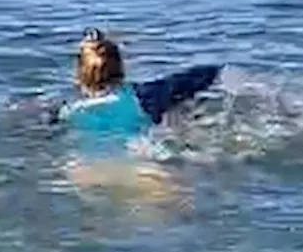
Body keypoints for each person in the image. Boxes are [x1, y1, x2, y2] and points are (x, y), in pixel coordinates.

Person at [50, 28, 221, 157]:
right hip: (142, 160)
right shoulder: (144, 97)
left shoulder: (67, 111)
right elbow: (197, 77)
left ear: (79, 76)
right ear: (121, 69)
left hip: (88, 171)